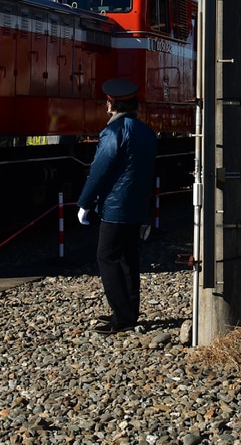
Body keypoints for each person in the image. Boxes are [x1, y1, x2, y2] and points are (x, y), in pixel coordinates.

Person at [76, 78, 158, 334]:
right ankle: (128, 311)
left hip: (115, 206)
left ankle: (121, 316)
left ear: (111, 105)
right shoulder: (146, 131)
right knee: (128, 258)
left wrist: (84, 203)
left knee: (107, 256)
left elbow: (99, 170)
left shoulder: (112, 132)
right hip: (137, 205)